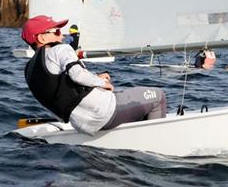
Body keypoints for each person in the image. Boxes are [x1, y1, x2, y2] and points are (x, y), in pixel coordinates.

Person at [21, 15, 166, 134]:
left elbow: (62, 88)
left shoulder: (30, 69)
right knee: (158, 97)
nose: (62, 36)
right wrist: (103, 83)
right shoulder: (61, 49)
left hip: (81, 124)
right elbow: (77, 75)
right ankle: (156, 143)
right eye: (57, 32)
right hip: (104, 112)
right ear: (41, 38)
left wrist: (96, 77)